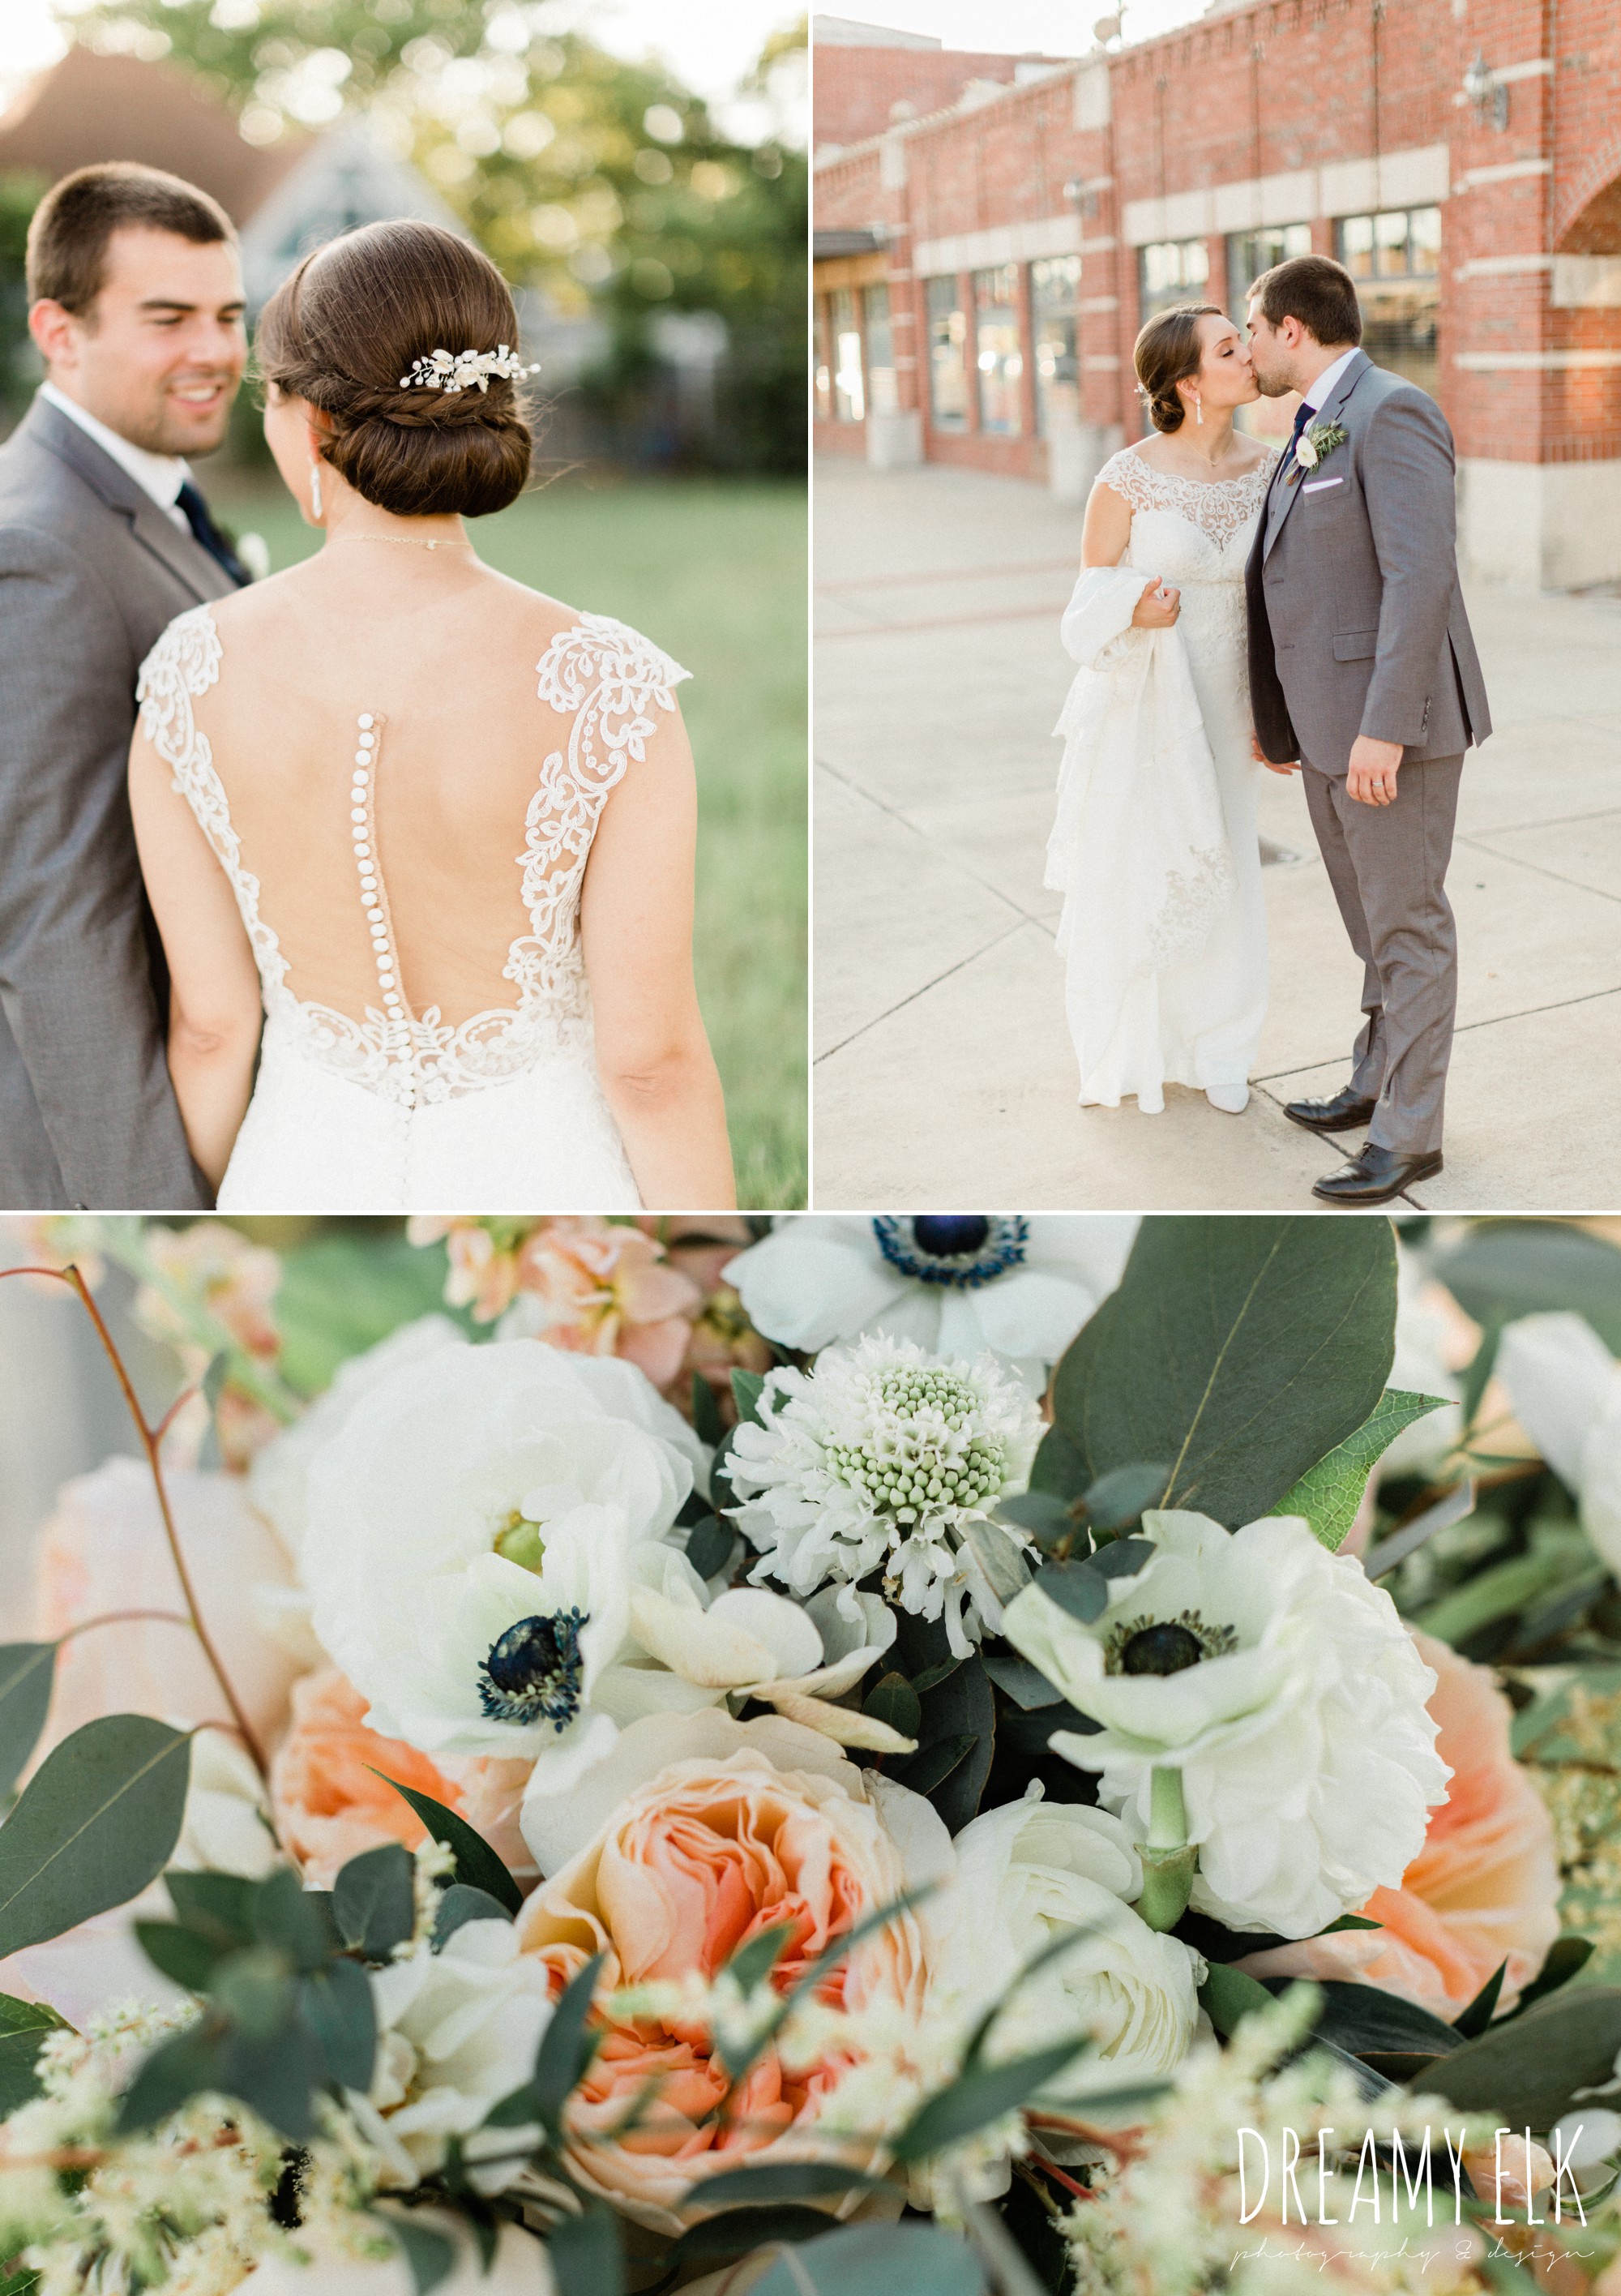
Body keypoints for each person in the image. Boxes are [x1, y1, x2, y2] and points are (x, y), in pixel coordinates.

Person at [129, 219, 734, 1213]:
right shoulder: (607, 686)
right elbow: (650, 1065)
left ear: (310, 423)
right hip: (548, 1185)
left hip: (295, 1174)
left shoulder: (187, 673)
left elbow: (209, 1030)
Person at [0, 162, 250, 1209]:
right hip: (118, 1145)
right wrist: (149, 1204)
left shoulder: (150, 498)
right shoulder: (37, 545)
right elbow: (56, 916)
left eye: (231, 316)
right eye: (168, 319)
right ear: (59, 331)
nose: (216, 353)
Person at [1244, 253, 1491, 1206]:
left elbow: (1419, 577)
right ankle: (1370, 1079)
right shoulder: (1307, 425)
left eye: (1253, 329)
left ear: (1292, 330)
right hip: (1320, 728)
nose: (1250, 346)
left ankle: (1408, 1133)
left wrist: (1384, 728)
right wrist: (1283, 721)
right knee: (1368, 925)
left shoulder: (1392, 412)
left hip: (1390, 732)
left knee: (1408, 926)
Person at [1047, 304, 1273, 1116]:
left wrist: (1278, 716)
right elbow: (1081, 605)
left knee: (1229, 870)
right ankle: (1145, 1041)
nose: (1247, 355)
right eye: (1227, 348)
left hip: (1236, 705)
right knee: (1152, 867)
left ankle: (1222, 1044)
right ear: (1186, 382)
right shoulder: (1126, 477)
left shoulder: (1272, 465)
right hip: (1146, 706)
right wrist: (1131, 607)